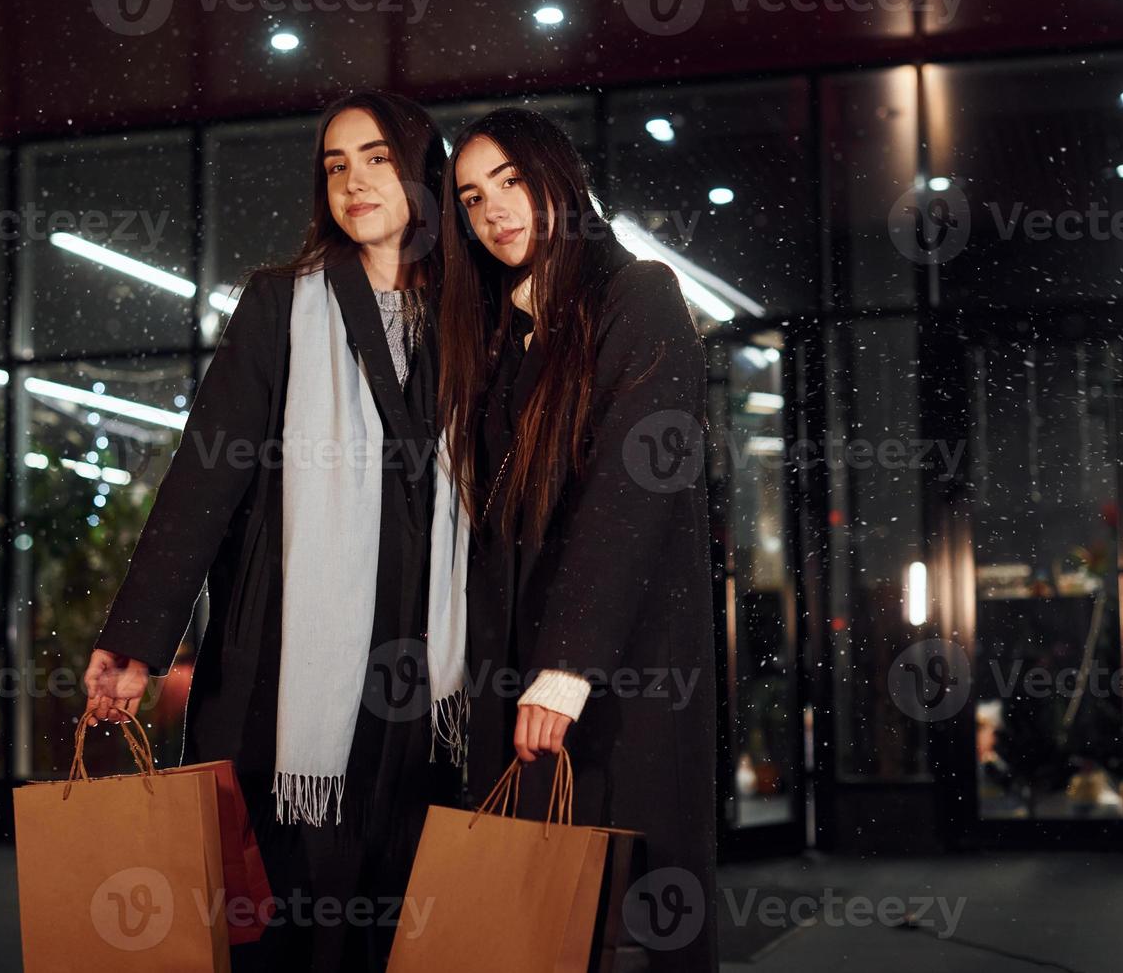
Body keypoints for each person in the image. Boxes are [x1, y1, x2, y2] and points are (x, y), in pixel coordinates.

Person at [81, 89, 466, 973]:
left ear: (422, 174)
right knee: (294, 903)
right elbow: (203, 480)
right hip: (293, 649)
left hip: (435, 657)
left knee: (413, 898)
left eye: (375, 158)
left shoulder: (472, 315)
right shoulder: (280, 304)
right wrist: (139, 638)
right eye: (336, 166)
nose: (355, 181)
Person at [437, 106, 719, 971]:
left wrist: (565, 666)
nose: (494, 212)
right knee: (534, 915)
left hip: (621, 668)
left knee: (630, 914)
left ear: (560, 178)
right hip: (522, 666)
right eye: (472, 198)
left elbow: (633, 494)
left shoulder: (637, 294)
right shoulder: (499, 329)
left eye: (511, 182)